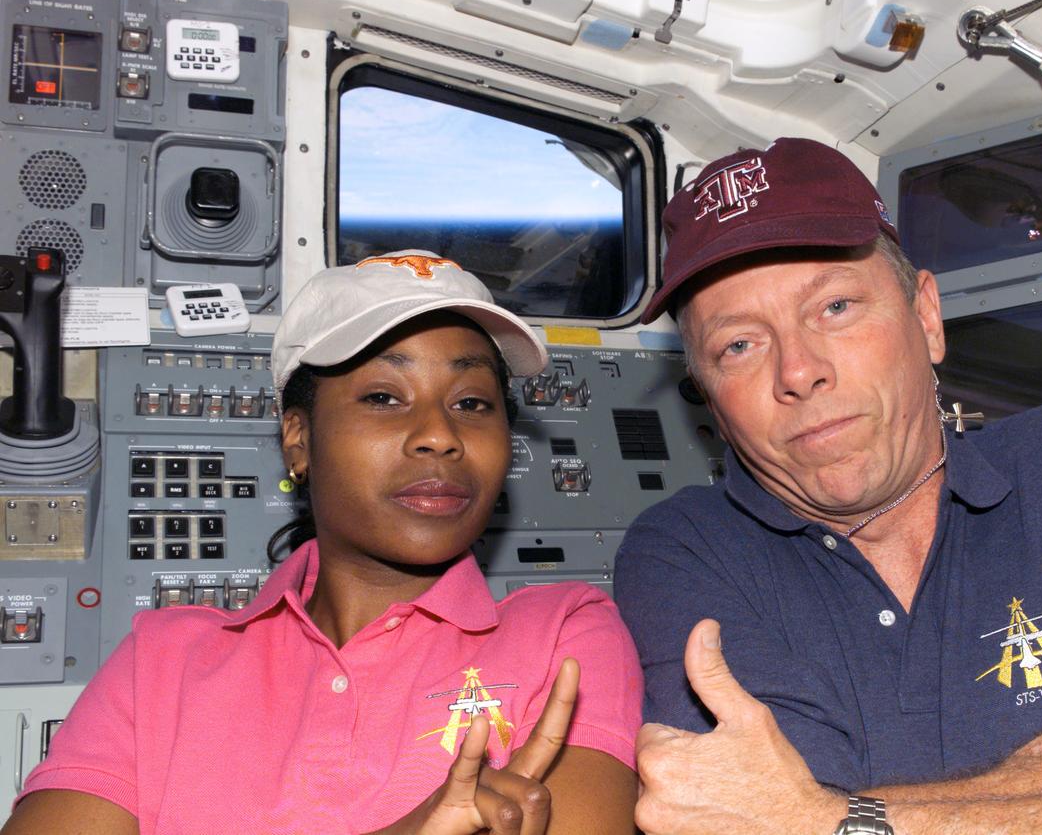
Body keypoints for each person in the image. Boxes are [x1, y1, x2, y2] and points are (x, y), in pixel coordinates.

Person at [613, 138, 1042, 834]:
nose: (799, 371)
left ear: (927, 318)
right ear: (711, 399)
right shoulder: (682, 552)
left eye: (835, 306)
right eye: (738, 345)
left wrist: (830, 818)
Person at [5, 250, 641, 835]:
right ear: (298, 440)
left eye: (472, 403)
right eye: (384, 397)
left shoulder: (565, 633)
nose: (440, 435)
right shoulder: (162, 659)